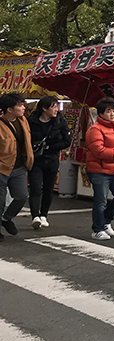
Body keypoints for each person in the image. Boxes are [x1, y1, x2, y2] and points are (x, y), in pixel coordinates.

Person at [86, 97, 114, 241]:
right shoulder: (94, 130)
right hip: (99, 170)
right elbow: (99, 151)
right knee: (101, 200)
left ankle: (105, 221)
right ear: (101, 113)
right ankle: (97, 229)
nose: (112, 114)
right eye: (108, 111)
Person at [26, 96, 71, 229]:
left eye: (57, 106)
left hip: (52, 159)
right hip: (35, 160)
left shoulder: (60, 122)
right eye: (53, 106)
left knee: (48, 188)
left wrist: (50, 147)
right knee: (35, 187)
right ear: (44, 108)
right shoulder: (31, 121)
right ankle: (35, 216)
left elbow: (66, 141)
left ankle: (44, 214)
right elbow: (26, 139)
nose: (56, 109)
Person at [0, 93, 34, 241]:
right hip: (2, 167)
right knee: (0, 201)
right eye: (20, 105)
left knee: (22, 196)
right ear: (9, 109)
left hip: (19, 167)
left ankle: (6, 219)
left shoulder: (23, 121)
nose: (23, 107)